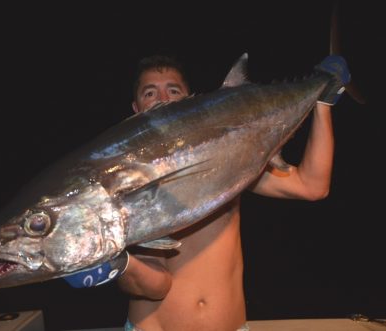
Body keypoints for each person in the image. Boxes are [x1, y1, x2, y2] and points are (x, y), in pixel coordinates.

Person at [65, 54, 350, 331]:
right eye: (150, 93)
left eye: (173, 90)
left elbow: (313, 186)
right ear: (136, 109)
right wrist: (119, 265)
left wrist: (323, 101)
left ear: (193, 100)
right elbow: (156, 286)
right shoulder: (126, 183)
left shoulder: (231, 163)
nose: (163, 99)